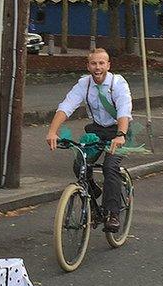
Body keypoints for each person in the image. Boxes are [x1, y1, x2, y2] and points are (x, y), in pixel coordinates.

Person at [45, 48, 132, 231]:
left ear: (108, 65)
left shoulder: (117, 83)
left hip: (119, 131)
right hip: (97, 130)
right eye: (94, 63)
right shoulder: (84, 84)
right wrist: (52, 131)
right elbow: (67, 106)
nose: (98, 67)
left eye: (101, 63)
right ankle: (92, 191)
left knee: (110, 166)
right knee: (80, 165)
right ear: (88, 66)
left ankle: (113, 214)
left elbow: (124, 109)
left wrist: (121, 135)